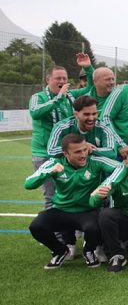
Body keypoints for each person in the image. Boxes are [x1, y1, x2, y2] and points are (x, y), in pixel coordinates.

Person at [25, 134, 123, 268]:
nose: (83, 155)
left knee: (97, 226)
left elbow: (121, 167)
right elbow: (28, 184)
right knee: (36, 226)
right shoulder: (55, 163)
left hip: (88, 211)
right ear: (66, 153)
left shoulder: (95, 161)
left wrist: (104, 185)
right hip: (62, 210)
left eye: (85, 150)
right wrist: (50, 171)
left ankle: (89, 250)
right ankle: (60, 250)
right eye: (77, 152)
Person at [30, 65, 75, 208]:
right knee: (50, 197)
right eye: (58, 78)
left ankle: (69, 223)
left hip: (64, 154)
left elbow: (91, 87)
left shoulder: (69, 97)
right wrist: (58, 98)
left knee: (69, 195)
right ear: (47, 80)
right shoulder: (38, 97)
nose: (62, 81)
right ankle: (52, 223)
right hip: (43, 155)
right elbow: (35, 112)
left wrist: (87, 68)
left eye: (64, 78)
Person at [46, 95, 124, 161]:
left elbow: (112, 152)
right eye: (86, 114)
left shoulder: (103, 127)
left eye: (94, 114)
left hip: (95, 169)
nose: (91, 118)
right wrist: (79, 147)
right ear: (76, 114)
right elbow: (51, 151)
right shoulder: (61, 127)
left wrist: (90, 150)